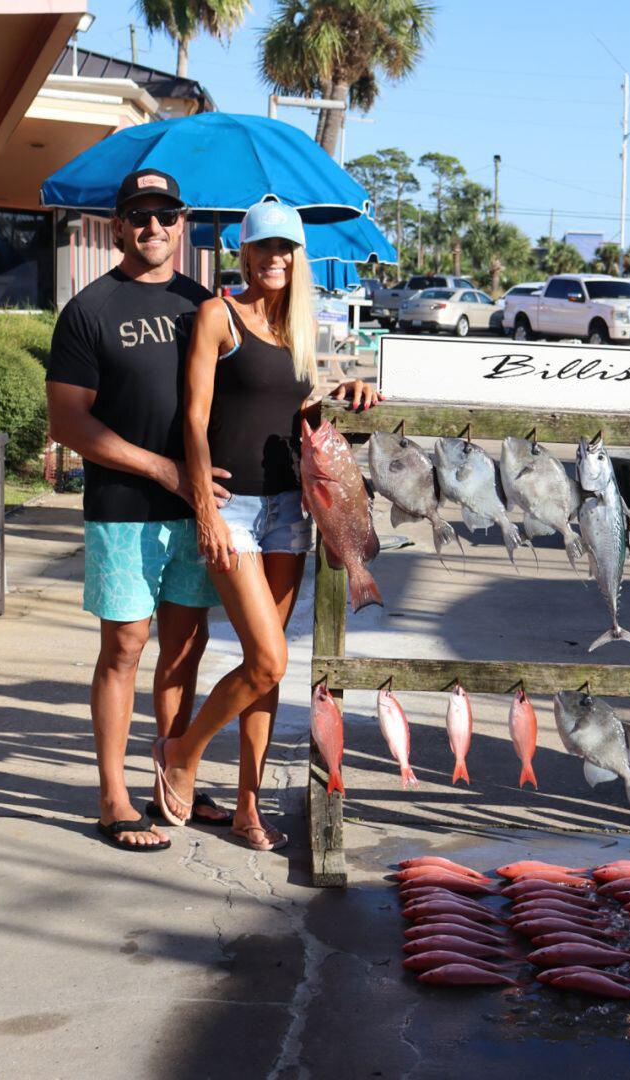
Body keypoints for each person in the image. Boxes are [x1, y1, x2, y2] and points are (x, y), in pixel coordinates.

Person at [150, 200, 378, 850]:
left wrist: (352, 389)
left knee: (266, 666)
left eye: (286, 250)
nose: (275, 259)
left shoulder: (303, 329)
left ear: (297, 258)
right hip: (234, 510)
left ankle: (249, 807)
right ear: (244, 253)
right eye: (264, 248)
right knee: (271, 658)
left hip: (289, 513)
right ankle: (183, 752)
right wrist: (201, 503)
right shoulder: (218, 316)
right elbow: (193, 418)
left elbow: (301, 404)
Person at [46, 169, 234, 851]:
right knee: (124, 648)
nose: (154, 227)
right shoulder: (90, 310)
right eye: (140, 215)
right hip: (123, 509)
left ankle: (173, 779)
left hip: (199, 513)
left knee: (185, 648)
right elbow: (67, 421)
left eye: (166, 214)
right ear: (119, 226)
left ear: (182, 224)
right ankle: (112, 797)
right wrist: (162, 469)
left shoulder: (206, 307)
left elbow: (266, 379)